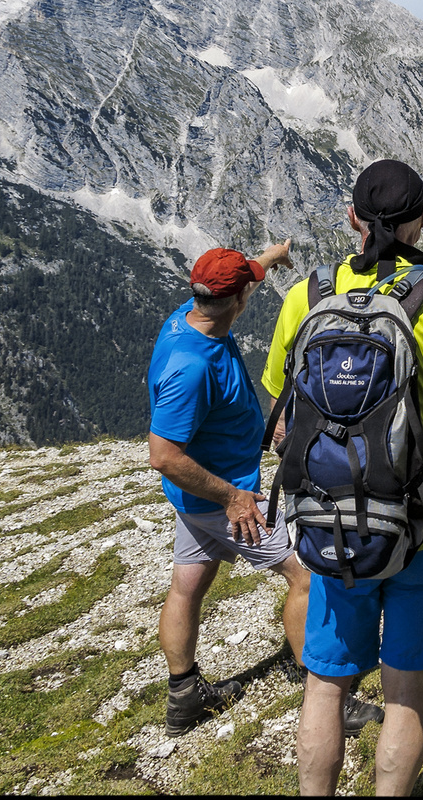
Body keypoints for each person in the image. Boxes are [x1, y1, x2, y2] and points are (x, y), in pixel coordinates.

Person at [262, 159, 423, 796]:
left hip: (331, 524)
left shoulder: (305, 298)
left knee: (325, 684)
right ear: (422, 219)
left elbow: (283, 425)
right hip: (422, 528)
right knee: (404, 688)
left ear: (352, 218)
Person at [146, 243, 380, 738]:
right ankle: (327, 695)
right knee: (307, 575)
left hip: (195, 504)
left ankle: (183, 694)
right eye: (248, 286)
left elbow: (237, 275)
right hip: (230, 501)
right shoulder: (192, 367)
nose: (252, 289)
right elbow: (164, 455)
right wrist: (232, 498)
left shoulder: (190, 314)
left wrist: (272, 256)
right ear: (236, 301)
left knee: (187, 585)